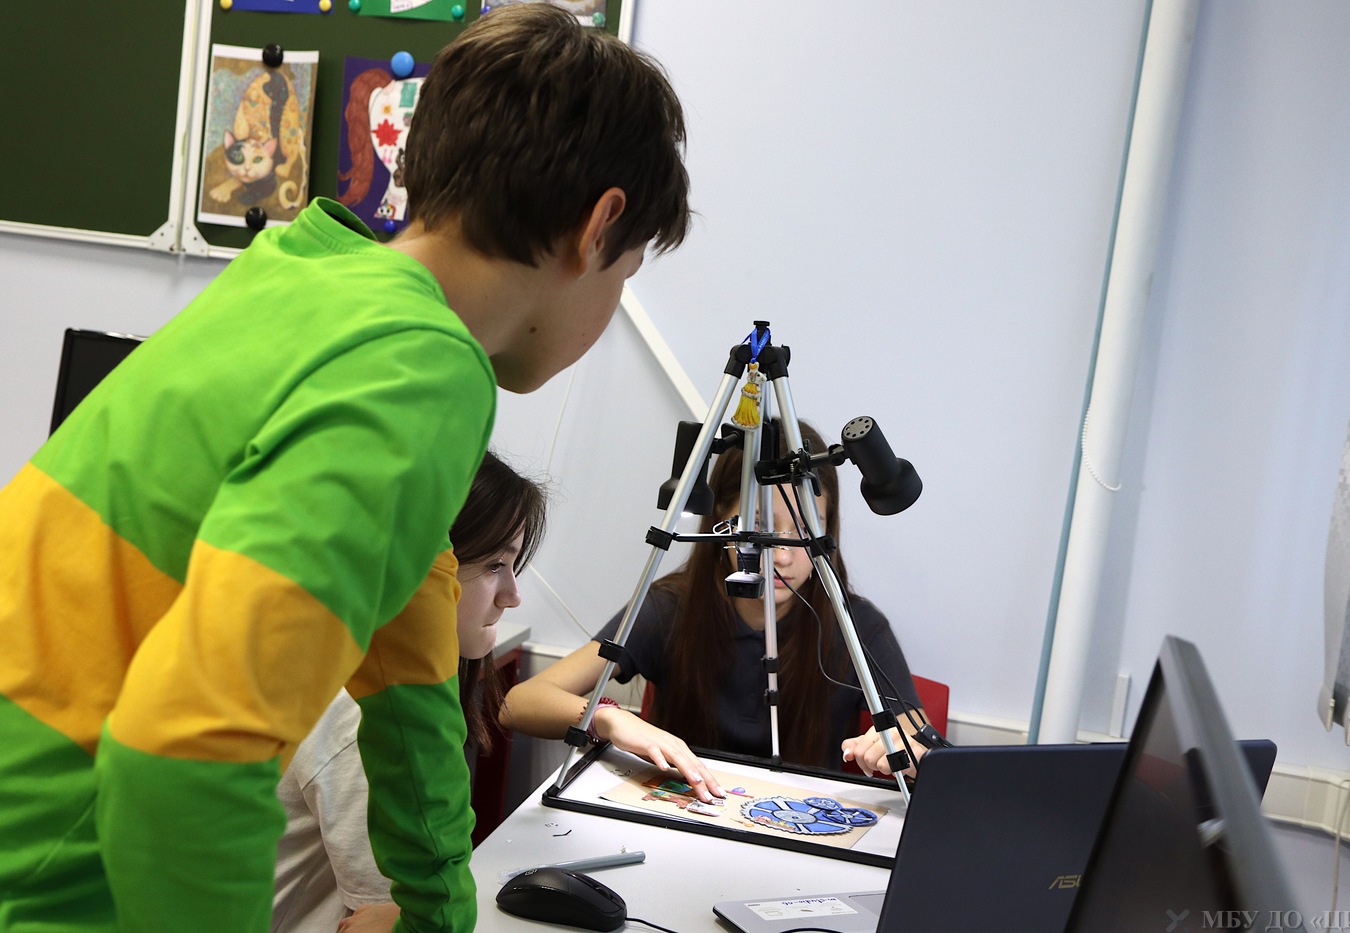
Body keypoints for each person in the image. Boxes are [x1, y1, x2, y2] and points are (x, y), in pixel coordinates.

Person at [0, 5, 689, 931]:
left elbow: (410, 686)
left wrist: (439, 912)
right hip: (45, 878)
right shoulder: (421, 366)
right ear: (599, 227)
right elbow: (189, 750)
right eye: (626, 271)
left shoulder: (307, 270)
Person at [499, 420, 925, 802]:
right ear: (721, 520)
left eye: (804, 530)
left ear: (826, 530)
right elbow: (519, 703)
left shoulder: (857, 625)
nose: (782, 554)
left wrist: (901, 747)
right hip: (686, 813)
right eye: (762, 527)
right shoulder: (670, 607)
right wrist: (607, 718)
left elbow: (919, 741)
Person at [272, 451, 546, 933]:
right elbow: (396, 915)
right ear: (422, 567)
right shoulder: (363, 713)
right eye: (494, 565)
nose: (512, 595)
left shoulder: (332, 653)